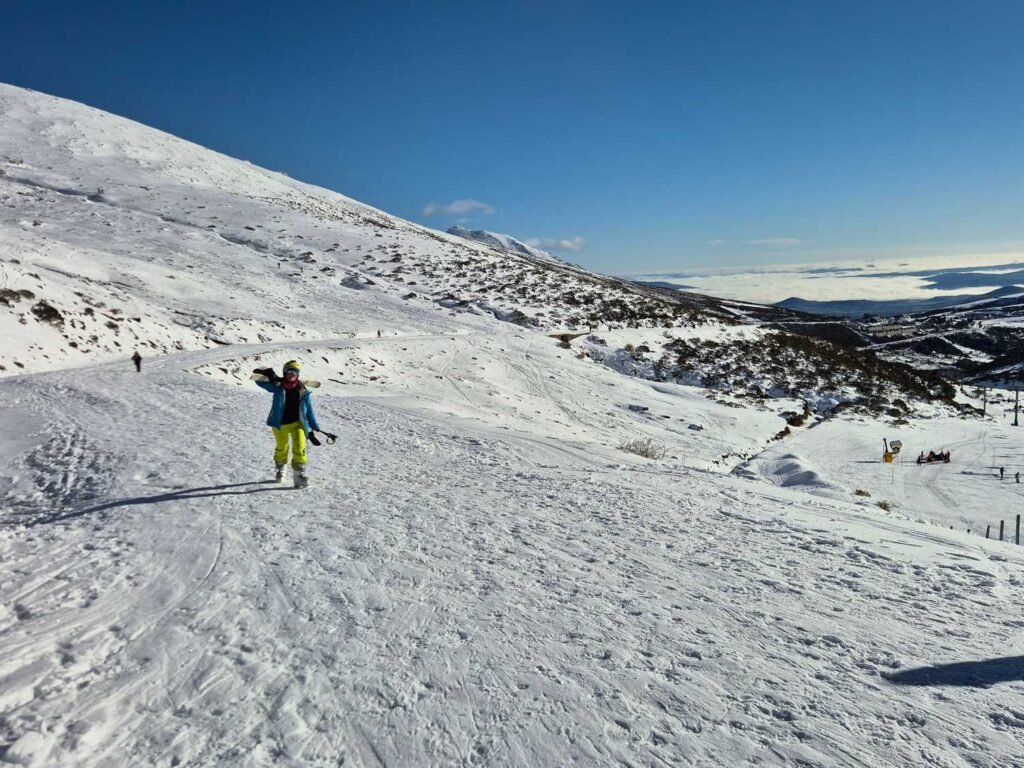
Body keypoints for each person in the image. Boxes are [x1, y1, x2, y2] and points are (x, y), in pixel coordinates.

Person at [253, 360, 320, 488]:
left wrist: (314, 426)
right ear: (284, 373)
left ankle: (299, 476)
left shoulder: (303, 390)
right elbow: (258, 381)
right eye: (289, 371)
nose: (292, 374)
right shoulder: (277, 386)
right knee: (281, 448)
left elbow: (309, 410)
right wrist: (272, 377)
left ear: (298, 374)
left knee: (300, 447)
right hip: (279, 424)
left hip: (297, 424)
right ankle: (280, 470)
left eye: (295, 371)